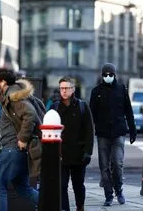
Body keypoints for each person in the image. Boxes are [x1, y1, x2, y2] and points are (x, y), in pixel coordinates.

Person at [0, 69, 39, 210]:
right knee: (23, 188)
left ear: (3, 81)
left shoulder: (13, 95)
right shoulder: (10, 94)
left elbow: (30, 114)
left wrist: (22, 139)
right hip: (16, 150)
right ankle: (53, 205)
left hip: (12, 148)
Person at [89, 63, 137, 206]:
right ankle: (108, 195)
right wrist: (90, 133)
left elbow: (128, 111)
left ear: (114, 75)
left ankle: (119, 190)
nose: (108, 77)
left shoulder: (122, 89)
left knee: (117, 163)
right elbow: (91, 115)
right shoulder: (96, 91)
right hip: (103, 133)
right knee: (104, 166)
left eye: (110, 74)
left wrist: (133, 130)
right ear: (102, 76)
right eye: (105, 75)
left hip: (118, 132)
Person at [51, 77, 94, 211]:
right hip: (61, 155)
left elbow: (89, 130)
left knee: (78, 185)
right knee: (62, 186)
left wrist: (88, 152)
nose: (64, 91)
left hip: (78, 154)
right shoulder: (55, 107)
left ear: (73, 89)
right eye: (61, 88)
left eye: (67, 88)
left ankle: (80, 206)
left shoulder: (82, 106)